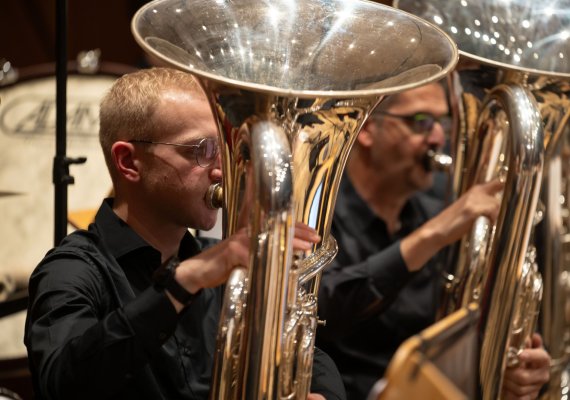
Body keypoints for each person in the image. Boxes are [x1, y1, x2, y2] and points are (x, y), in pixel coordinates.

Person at [24, 67, 346, 400]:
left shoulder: (222, 265)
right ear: (129, 162)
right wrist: (184, 281)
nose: (221, 171)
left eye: (223, 150)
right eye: (202, 150)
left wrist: (323, 394)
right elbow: (61, 383)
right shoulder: (71, 270)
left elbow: (305, 354)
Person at [315, 81, 551, 400]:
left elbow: (462, 331)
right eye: (421, 121)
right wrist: (432, 235)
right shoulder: (321, 213)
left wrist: (507, 368)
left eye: (442, 123)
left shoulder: (436, 209)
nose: (439, 138)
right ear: (367, 129)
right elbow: (324, 313)